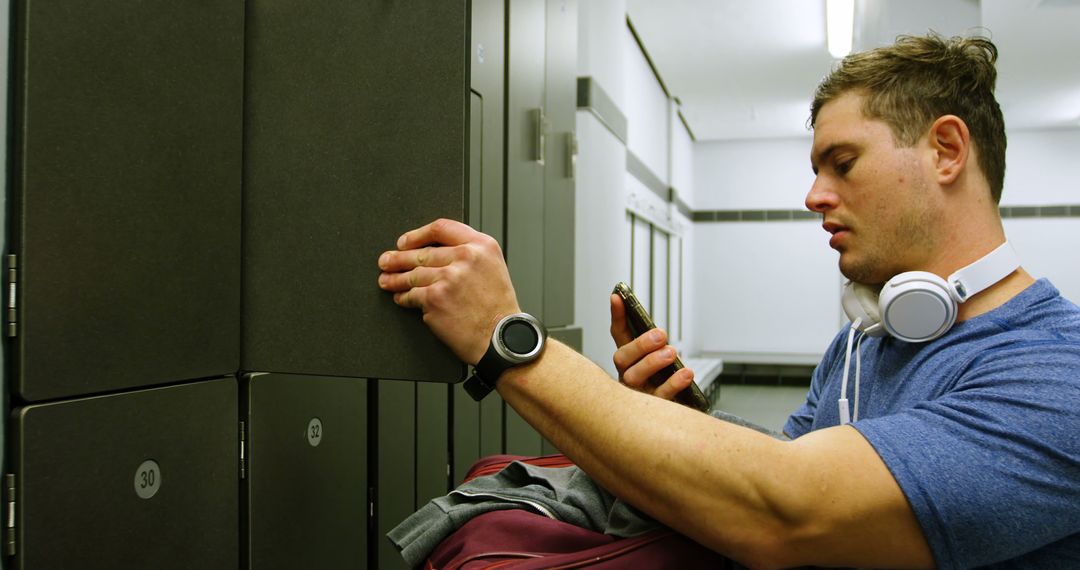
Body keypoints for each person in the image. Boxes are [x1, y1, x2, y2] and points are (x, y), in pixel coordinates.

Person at [377, 33, 1080, 569]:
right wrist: (677, 427)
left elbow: (787, 509)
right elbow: (792, 456)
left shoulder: (1056, 377)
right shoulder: (866, 342)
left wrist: (506, 341)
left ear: (947, 150)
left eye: (843, 163)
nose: (814, 197)